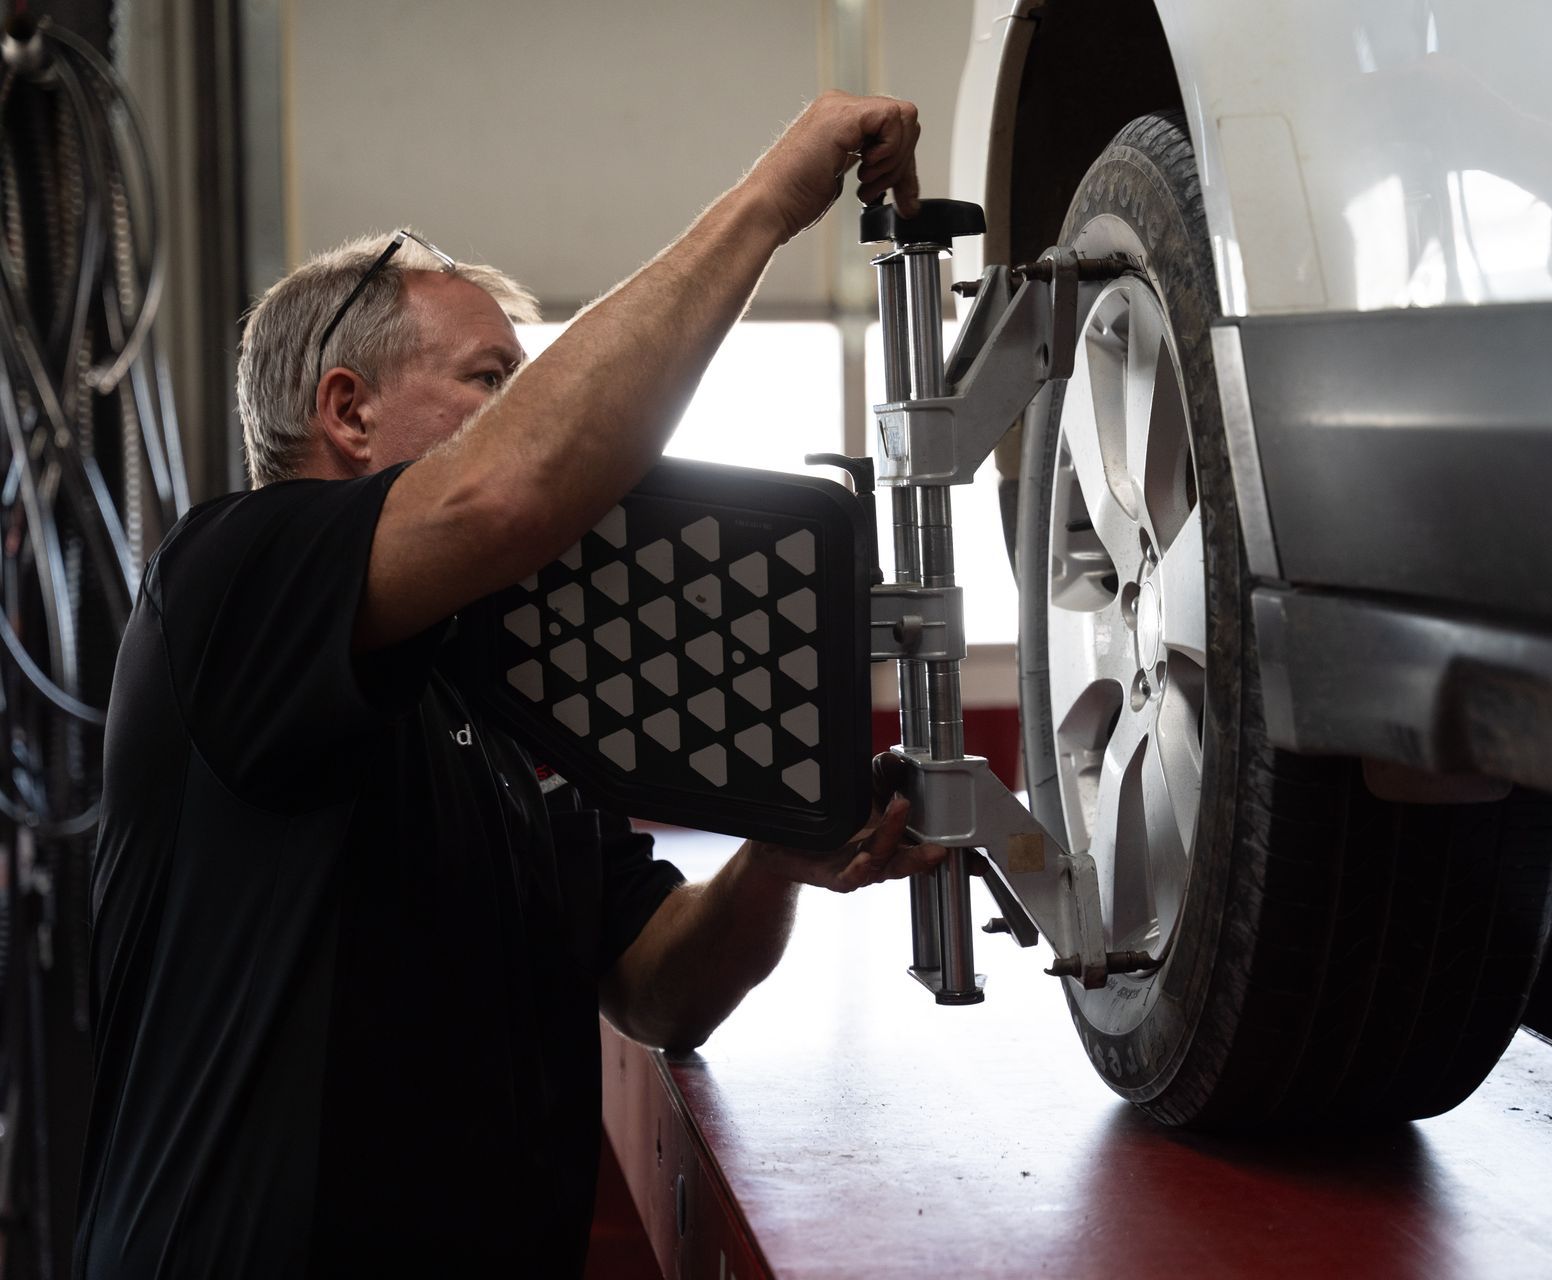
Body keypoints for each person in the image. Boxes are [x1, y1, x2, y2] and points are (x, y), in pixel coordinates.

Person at [74, 92, 935, 1277]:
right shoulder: (235, 575)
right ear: (347, 409)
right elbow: (513, 488)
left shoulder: (495, 696)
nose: (520, 419)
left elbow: (656, 986)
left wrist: (771, 859)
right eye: (492, 382)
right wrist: (772, 203)